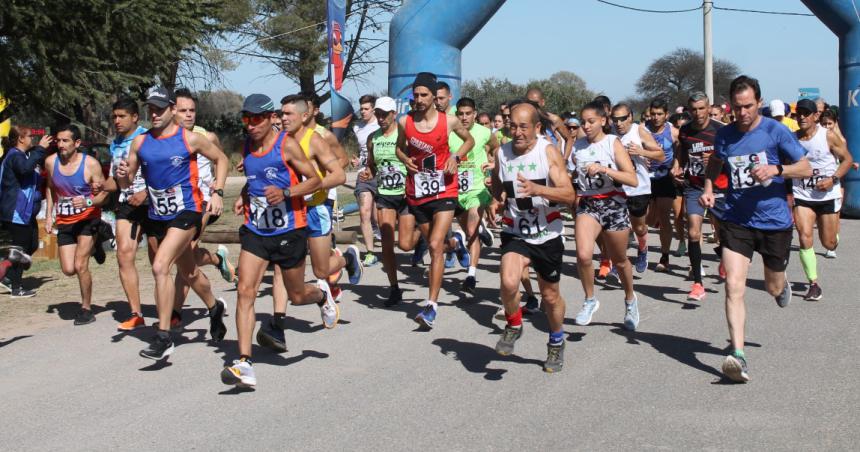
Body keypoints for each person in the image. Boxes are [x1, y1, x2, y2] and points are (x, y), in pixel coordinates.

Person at [699, 75, 812, 383]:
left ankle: (781, 284)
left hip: (774, 222)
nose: (742, 113)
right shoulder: (725, 135)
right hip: (736, 219)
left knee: (773, 287)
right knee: (733, 286)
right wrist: (709, 187)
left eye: (748, 106)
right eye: (737, 107)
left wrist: (778, 169)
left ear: (759, 103)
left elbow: (806, 167)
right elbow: (715, 162)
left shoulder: (776, 131)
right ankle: (738, 355)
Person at [114, 86, 230, 360]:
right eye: (150, 109)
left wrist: (218, 192)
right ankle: (214, 308)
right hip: (157, 215)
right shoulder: (140, 143)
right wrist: (122, 175)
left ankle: (164, 337)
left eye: (159, 109)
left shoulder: (190, 139)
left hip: (187, 212)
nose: (154, 114)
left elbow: (222, 159)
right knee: (188, 272)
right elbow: (127, 182)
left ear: (172, 111)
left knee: (160, 266)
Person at [220, 94, 323, 388]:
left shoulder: (286, 145)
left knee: (298, 295)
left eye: (256, 119)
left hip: (289, 230)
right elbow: (255, 181)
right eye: (246, 119)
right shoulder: (247, 147)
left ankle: (323, 294)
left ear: (270, 118)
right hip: (256, 230)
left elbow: (314, 180)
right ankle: (244, 362)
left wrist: (287, 193)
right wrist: (243, 198)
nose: (250, 125)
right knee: (244, 291)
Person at [492, 100, 574, 372]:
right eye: (512, 126)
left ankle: (556, 341)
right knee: (508, 279)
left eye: (524, 127)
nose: (517, 132)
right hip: (515, 229)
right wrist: (497, 199)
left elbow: (569, 195)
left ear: (537, 128)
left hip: (546, 233)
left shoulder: (547, 152)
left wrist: (539, 190)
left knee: (550, 296)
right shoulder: (502, 153)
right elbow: (497, 184)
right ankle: (514, 324)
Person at [397, 72, 474, 329]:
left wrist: (456, 157)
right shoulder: (404, 122)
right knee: (434, 244)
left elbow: (469, 140)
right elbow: (400, 147)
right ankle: (456, 243)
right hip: (418, 192)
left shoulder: (449, 121)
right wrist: (404, 159)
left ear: (433, 97)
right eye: (415, 95)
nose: (418, 99)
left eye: (423, 95)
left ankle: (431, 305)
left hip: (445, 189)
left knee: (433, 246)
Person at [571, 102, 640, 331]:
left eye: (591, 121)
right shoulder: (578, 147)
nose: (586, 126)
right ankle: (590, 300)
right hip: (588, 204)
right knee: (583, 255)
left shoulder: (612, 143)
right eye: (583, 122)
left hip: (613, 203)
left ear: (603, 120)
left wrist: (605, 170)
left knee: (620, 261)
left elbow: (632, 179)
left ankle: (630, 300)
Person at [44, 125, 109, 325]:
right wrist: (49, 215)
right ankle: (97, 245)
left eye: (65, 141)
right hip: (65, 220)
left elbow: (104, 194)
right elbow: (50, 188)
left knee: (81, 265)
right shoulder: (50, 162)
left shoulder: (90, 164)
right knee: (68, 269)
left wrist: (88, 201)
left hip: (88, 219)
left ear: (77, 143)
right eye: (58, 141)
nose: (61, 145)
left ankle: (86, 309)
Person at [791, 98, 852, 301]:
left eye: (806, 113)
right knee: (804, 236)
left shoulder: (828, 136)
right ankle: (813, 284)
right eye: (798, 113)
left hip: (827, 194)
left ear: (816, 116)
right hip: (803, 195)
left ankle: (833, 237)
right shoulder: (792, 139)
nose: (801, 117)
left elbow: (847, 160)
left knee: (829, 243)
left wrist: (832, 179)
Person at [365, 96, 419, 306]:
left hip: (405, 196)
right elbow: (372, 165)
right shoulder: (373, 138)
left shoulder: (404, 135)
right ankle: (394, 288)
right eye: (377, 114)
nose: (380, 119)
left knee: (405, 245)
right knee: (387, 245)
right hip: (385, 195)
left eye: (384, 115)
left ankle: (419, 237)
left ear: (394, 114)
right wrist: (367, 173)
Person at [108, 98, 154, 330]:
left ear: (135, 117)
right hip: (127, 204)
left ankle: (205, 304)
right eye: (115, 116)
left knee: (159, 262)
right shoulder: (114, 143)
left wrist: (145, 192)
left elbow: (162, 172)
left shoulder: (149, 138)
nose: (117, 120)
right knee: (124, 255)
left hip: (154, 203)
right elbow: (117, 180)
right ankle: (136, 313)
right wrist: (98, 186)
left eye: (122, 116)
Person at [675, 92, 726, 301]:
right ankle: (698, 283)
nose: (698, 113)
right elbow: (682, 152)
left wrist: (715, 159)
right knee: (694, 233)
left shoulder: (721, 130)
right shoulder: (685, 131)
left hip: (719, 186)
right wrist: (677, 166)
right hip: (694, 186)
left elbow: (732, 156)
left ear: (708, 108)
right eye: (694, 109)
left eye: (702, 108)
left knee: (723, 234)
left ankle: (725, 256)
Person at [451, 97, 498, 293]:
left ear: (475, 115)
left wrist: (492, 165)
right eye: (460, 114)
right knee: (470, 234)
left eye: (468, 113)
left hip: (477, 190)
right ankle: (475, 234)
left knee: (471, 230)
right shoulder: (450, 133)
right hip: (455, 191)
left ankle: (471, 275)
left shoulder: (485, 132)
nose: (464, 117)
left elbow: (496, 149)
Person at [609, 103, 663, 274]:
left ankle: (642, 249)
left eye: (622, 119)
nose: (618, 123)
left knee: (639, 227)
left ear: (630, 117)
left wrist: (641, 151)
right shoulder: (609, 133)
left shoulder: (638, 131)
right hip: (618, 188)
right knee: (619, 228)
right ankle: (619, 263)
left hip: (639, 188)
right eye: (615, 119)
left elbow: (660, 155)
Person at [0, 125, 51, 297]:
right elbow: (24, 168)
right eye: (29, 136)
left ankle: (6, 271)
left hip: (27, 213)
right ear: (21, 139)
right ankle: (16, 288)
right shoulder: (14, 156)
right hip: (17, 211)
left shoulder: (24, 155)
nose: (32, 139)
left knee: (32, 245)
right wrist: (41, 149)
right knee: (20, 250)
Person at [645, 98, 679, 272]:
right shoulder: (642, 130)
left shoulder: (672, 132)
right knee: (649, 220)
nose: (656, 117)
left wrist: (677, 164)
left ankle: (664, 255)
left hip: (665, 177)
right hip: (646, 178)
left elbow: (682, 148)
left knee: (665, 217)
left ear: (666, 115)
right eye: (653, 114)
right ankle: (655, 220)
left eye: (659, 114)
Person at [352, 94, 381, 267]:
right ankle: (370, 253)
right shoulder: (357, 127)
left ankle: (381, 236)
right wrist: (358, 162)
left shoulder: (381, 125)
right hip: (364, 174)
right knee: (364, 213)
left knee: (378, 218)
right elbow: (364, 152)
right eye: (361, 108)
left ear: (374, 110)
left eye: (366, 109)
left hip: (381, 174)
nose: (362, 112)